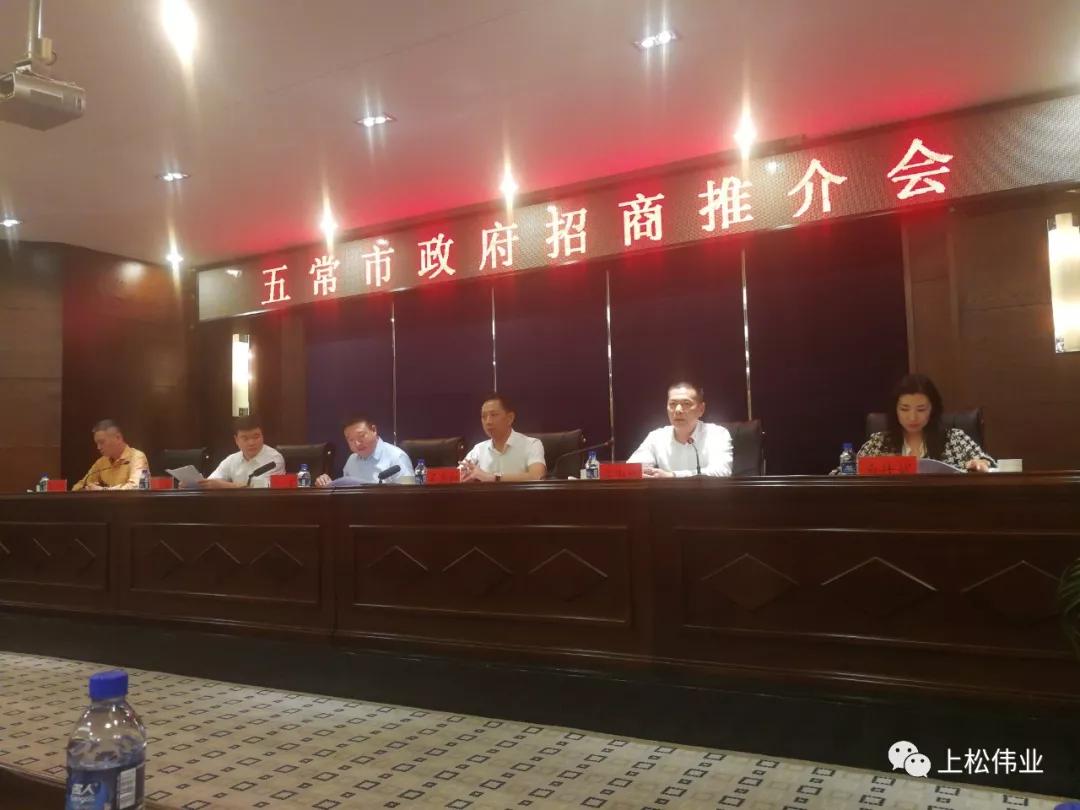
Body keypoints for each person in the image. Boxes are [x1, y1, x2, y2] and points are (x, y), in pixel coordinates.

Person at [858, 374, 994, 471]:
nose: (912, 417)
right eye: (904, 409)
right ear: (895, 410)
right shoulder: (879, 442)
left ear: (932, 410)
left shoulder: (954, 439)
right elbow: (849, 471)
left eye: (921, 409)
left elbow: (989, 463)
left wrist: (980, 463)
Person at [627, 381, 733, 477]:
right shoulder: (656, 437)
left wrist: (673, 476)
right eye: (672, 404)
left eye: (686, 403)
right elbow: (630, 469)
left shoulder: (717, 434)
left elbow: (722, 471)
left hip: (707, 492)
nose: (678, 410)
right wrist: (640, 473)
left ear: (701, 409)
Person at [460, 393, 546, 482]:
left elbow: (537, 476)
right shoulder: (479, 449)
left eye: (494, 415)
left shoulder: (532, 444)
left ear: (510, 418)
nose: (488, 422)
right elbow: (457, 476)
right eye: (484, 416)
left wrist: (493, 477)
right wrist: (465, 477)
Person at [315, 416, 413, 486]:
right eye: (351, 440)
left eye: (361, 436)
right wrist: (327, 485)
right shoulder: (351, 460)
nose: (357, 444)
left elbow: (409, 494)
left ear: (374, 430)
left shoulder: (397, 457)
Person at [201, 415, 285, 488]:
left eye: (256, 437)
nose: (251, 443)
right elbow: (211, 482)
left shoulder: (274, 459)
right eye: (245, 438)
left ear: (263, 436)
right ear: (236, 440)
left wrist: (226, 485)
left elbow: (262, 489)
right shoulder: (232, 459)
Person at [73, 419, 150, 491]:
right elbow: (77, 487)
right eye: (97, 443)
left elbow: (140, 487)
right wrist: (87, 489)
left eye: (102, 442)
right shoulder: (101, 462)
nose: (98, 447)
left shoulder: (137, 457)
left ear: (118, 438)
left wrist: (103, 490)